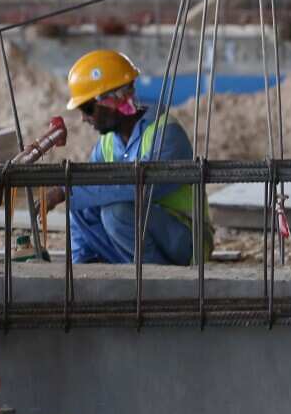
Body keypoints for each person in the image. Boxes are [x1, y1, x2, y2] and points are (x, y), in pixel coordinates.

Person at [41, 49, 211, 265]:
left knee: (116, 212)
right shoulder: (108, 143)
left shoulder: (166, 132)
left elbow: (139, 187)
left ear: (115, 99)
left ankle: (156, 283)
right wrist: (80, 269)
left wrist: (66, 189)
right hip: (142, 242)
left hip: (187, 240)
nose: (84, 118)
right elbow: (87, 193)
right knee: (80, 204)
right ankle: (93, 264)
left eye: (88, 108)